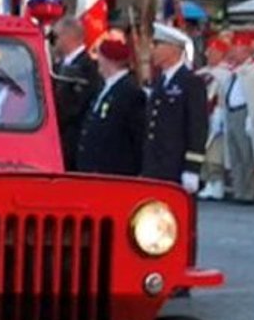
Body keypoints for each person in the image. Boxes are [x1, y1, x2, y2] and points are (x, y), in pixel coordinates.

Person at [141, 23, 208, 192]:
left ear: (173, 49)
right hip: (155, 165)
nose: (152, 50)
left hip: (175, 165)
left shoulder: (191, 82)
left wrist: (192, 168)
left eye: (157, 45)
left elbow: (197, 127)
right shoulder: (160, 82)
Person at [74, 38, 145, 176]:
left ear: (108, 59)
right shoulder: (103, 87)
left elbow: (137, 136)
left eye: (99, 56)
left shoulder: (130, 92)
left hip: (114, 171)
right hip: (93, 169)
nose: (97, 61)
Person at [224, 34, 254, 204]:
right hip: (231, 112)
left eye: (237, 50)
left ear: (246, 52)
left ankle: (249, 191)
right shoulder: (233, 71)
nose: (233, 54)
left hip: (244, 113)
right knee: (234, 154)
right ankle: (238, 190)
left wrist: (253, 117)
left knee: (247, 155)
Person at [51, 16, 102, 170]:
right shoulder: (57, 66)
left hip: (74, 143)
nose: (53, 42)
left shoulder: (88, 68)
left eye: (55, 37)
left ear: (67, 36)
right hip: (57, 143)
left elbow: (76, 106)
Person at [196, 37, 232, 200]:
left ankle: (217, 183)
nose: (209, 55)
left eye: (214, 52)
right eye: (209, 52)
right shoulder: (202, 72)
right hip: (202, 116)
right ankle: (207, 182)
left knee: (215, 152)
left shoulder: (226, 73)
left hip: (217, 116)